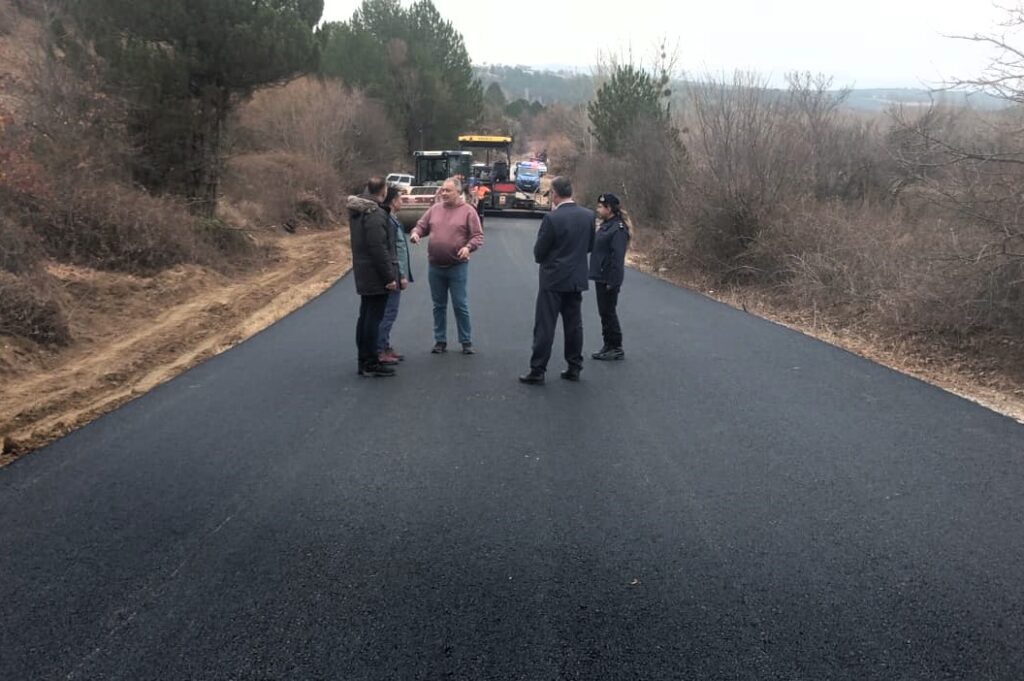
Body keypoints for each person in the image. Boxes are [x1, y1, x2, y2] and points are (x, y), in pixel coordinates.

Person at [519, 176, 595, 385]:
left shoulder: (552, 219)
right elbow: (589, 246)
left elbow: (539, 252)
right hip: (576, 278)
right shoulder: (588, 216)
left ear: (554, 194)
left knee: (545, 325)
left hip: (553, 279)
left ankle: (538, 369)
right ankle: (574, 367)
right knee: (574, 325)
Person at [410, 177, 484, 355]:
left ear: (459, 193)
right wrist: (416, 234)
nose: (443, 193)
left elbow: (477, 236)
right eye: (442, 190)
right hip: (435, 266)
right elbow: (421, 226)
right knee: (438, 305)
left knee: (460, 304)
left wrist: (468, 247)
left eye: (448, 190)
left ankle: (466, 341)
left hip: (457, 266)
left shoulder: (468, 211)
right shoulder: (435, 209)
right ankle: (440, 341)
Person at [348, 176, 399, 377]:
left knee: (365, 316)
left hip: (363, 271)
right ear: (383, 191)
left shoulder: (357, 212)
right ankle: (370, 361)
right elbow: (378, 248)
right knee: (372, 319)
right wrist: (389, 277)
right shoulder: (375, 214)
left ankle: (364, 359)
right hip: (375, 274)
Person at [589, 192, 631, 360]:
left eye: (601, 207)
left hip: (609, 278)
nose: (598, 209)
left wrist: (613, 281)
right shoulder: (606, 225)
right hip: (601, 275)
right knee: (604, 312)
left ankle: (616, 346)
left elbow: (617, 257)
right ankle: (608, 344)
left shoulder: (618, 229)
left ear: (610, 208)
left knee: (608, 312)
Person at [377, 185, 413, 365]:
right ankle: (380, 349)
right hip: (393, 274)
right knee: (388, 313)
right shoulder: (389, 223)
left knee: (388, 312)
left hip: (394, 273)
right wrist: (400, 275)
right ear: (392, 201)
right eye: (399, 198)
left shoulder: (392, 219)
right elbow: (393, 251)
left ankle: (385, 345)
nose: (402, 201)